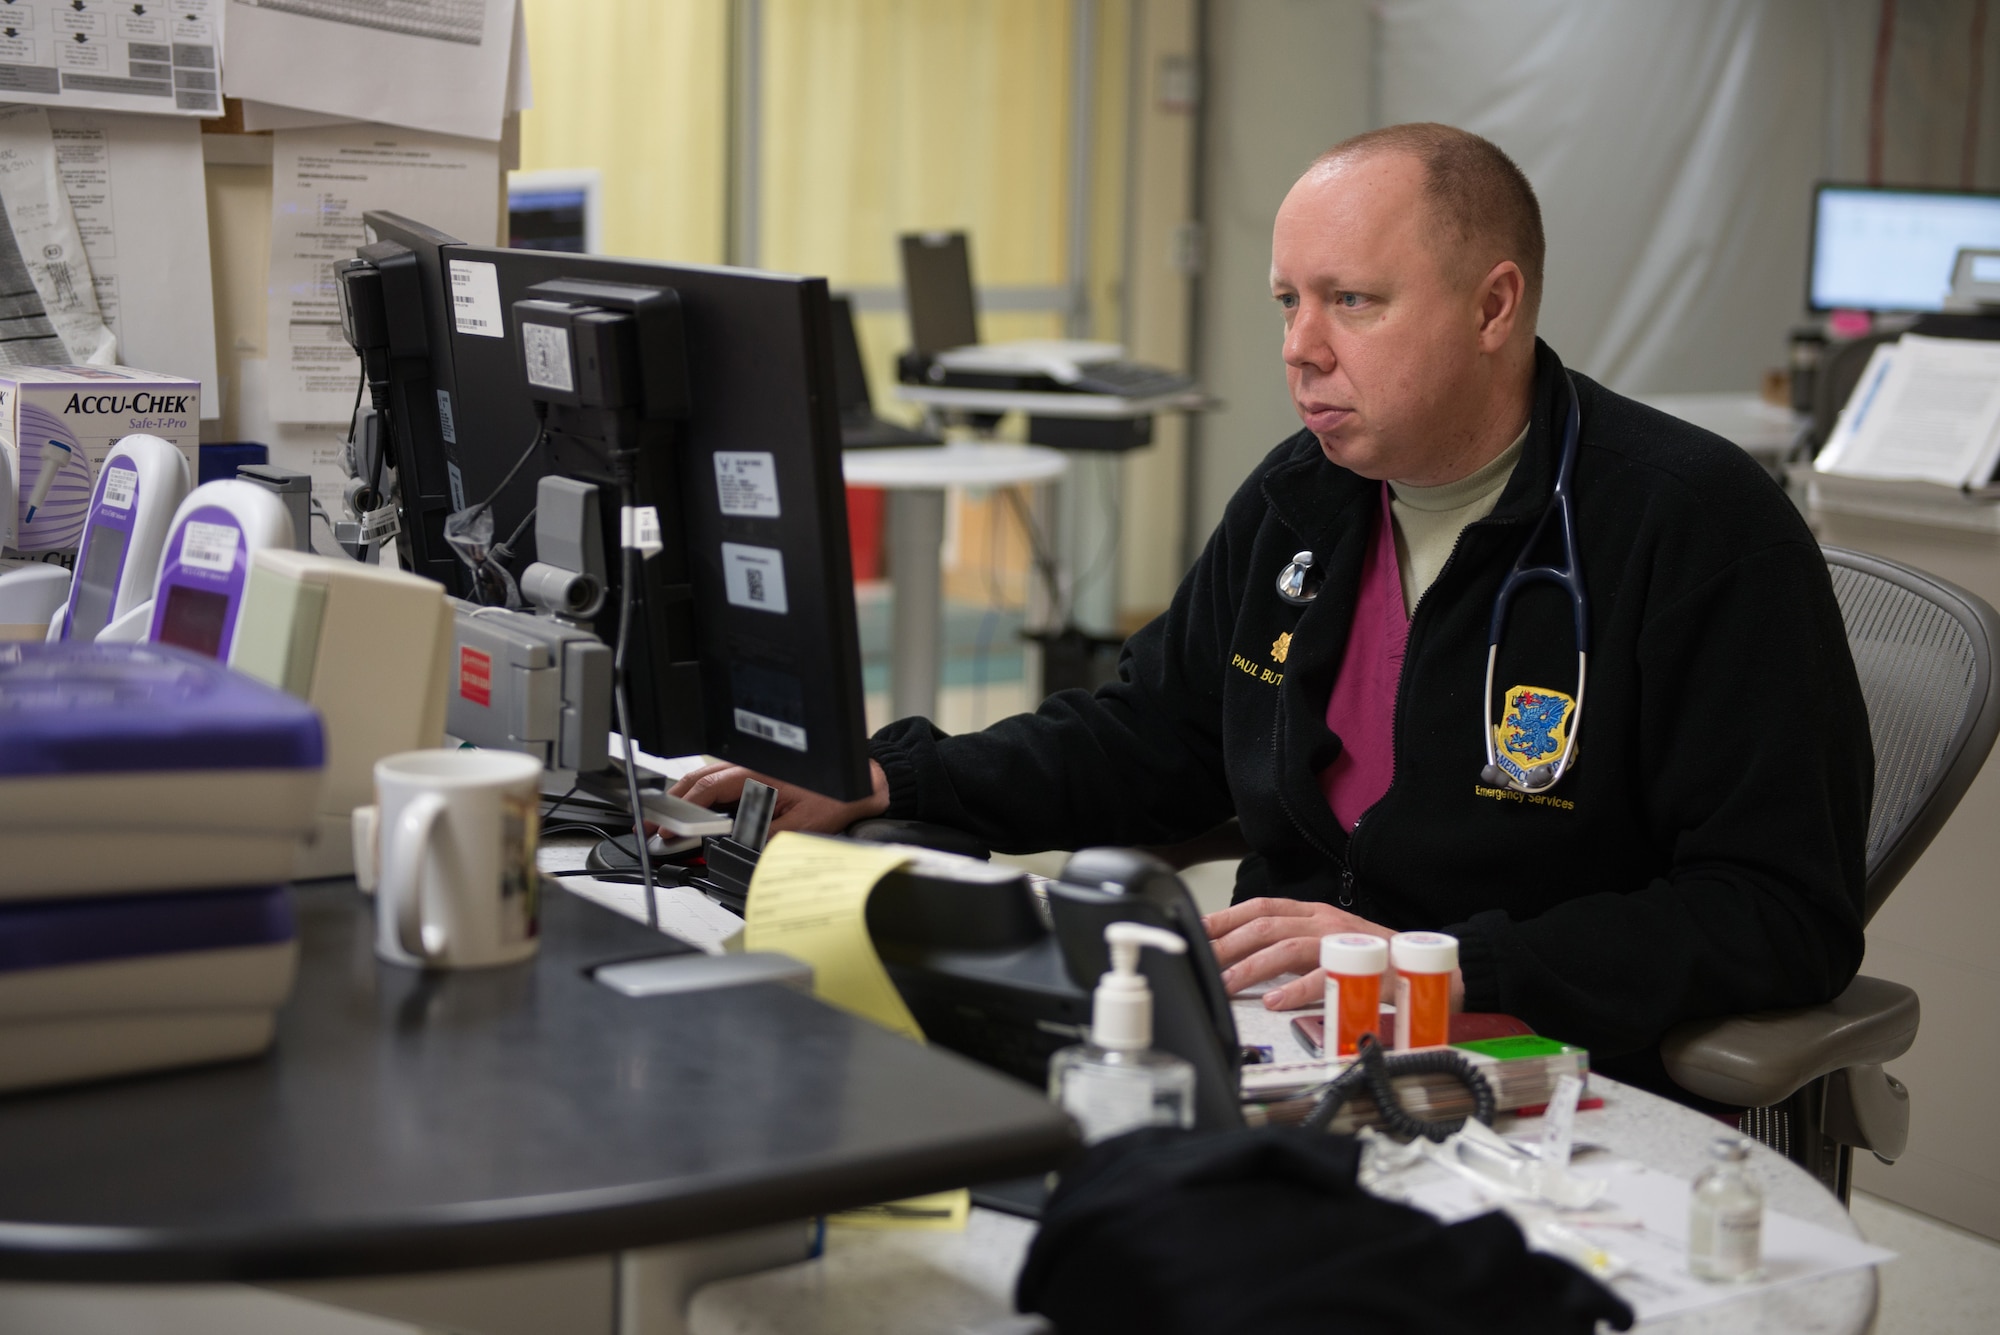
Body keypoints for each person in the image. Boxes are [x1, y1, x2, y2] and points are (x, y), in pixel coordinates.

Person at [673, 123, 1871, 1097]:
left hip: (1527, 1065)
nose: (1299, 350)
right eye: (1286, 302)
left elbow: (1776, 913)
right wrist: (892, 779)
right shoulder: (1303, 502)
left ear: (1493, 307)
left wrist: (1432, 966)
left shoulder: (1691, 530)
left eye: (1350, 301)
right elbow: (1154, 735)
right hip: (1271, 1047)